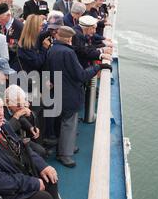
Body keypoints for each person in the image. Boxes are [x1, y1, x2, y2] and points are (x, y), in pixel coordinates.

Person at [45, 26, 112, 168]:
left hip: (57, 92)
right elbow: (81, 75)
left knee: (61, 122)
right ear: (69, 38)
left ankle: (65, 146)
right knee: (69, 124)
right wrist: (98, 67)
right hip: (70, 94)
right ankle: (65, 154)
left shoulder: (52, 49)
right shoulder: (68, 53)